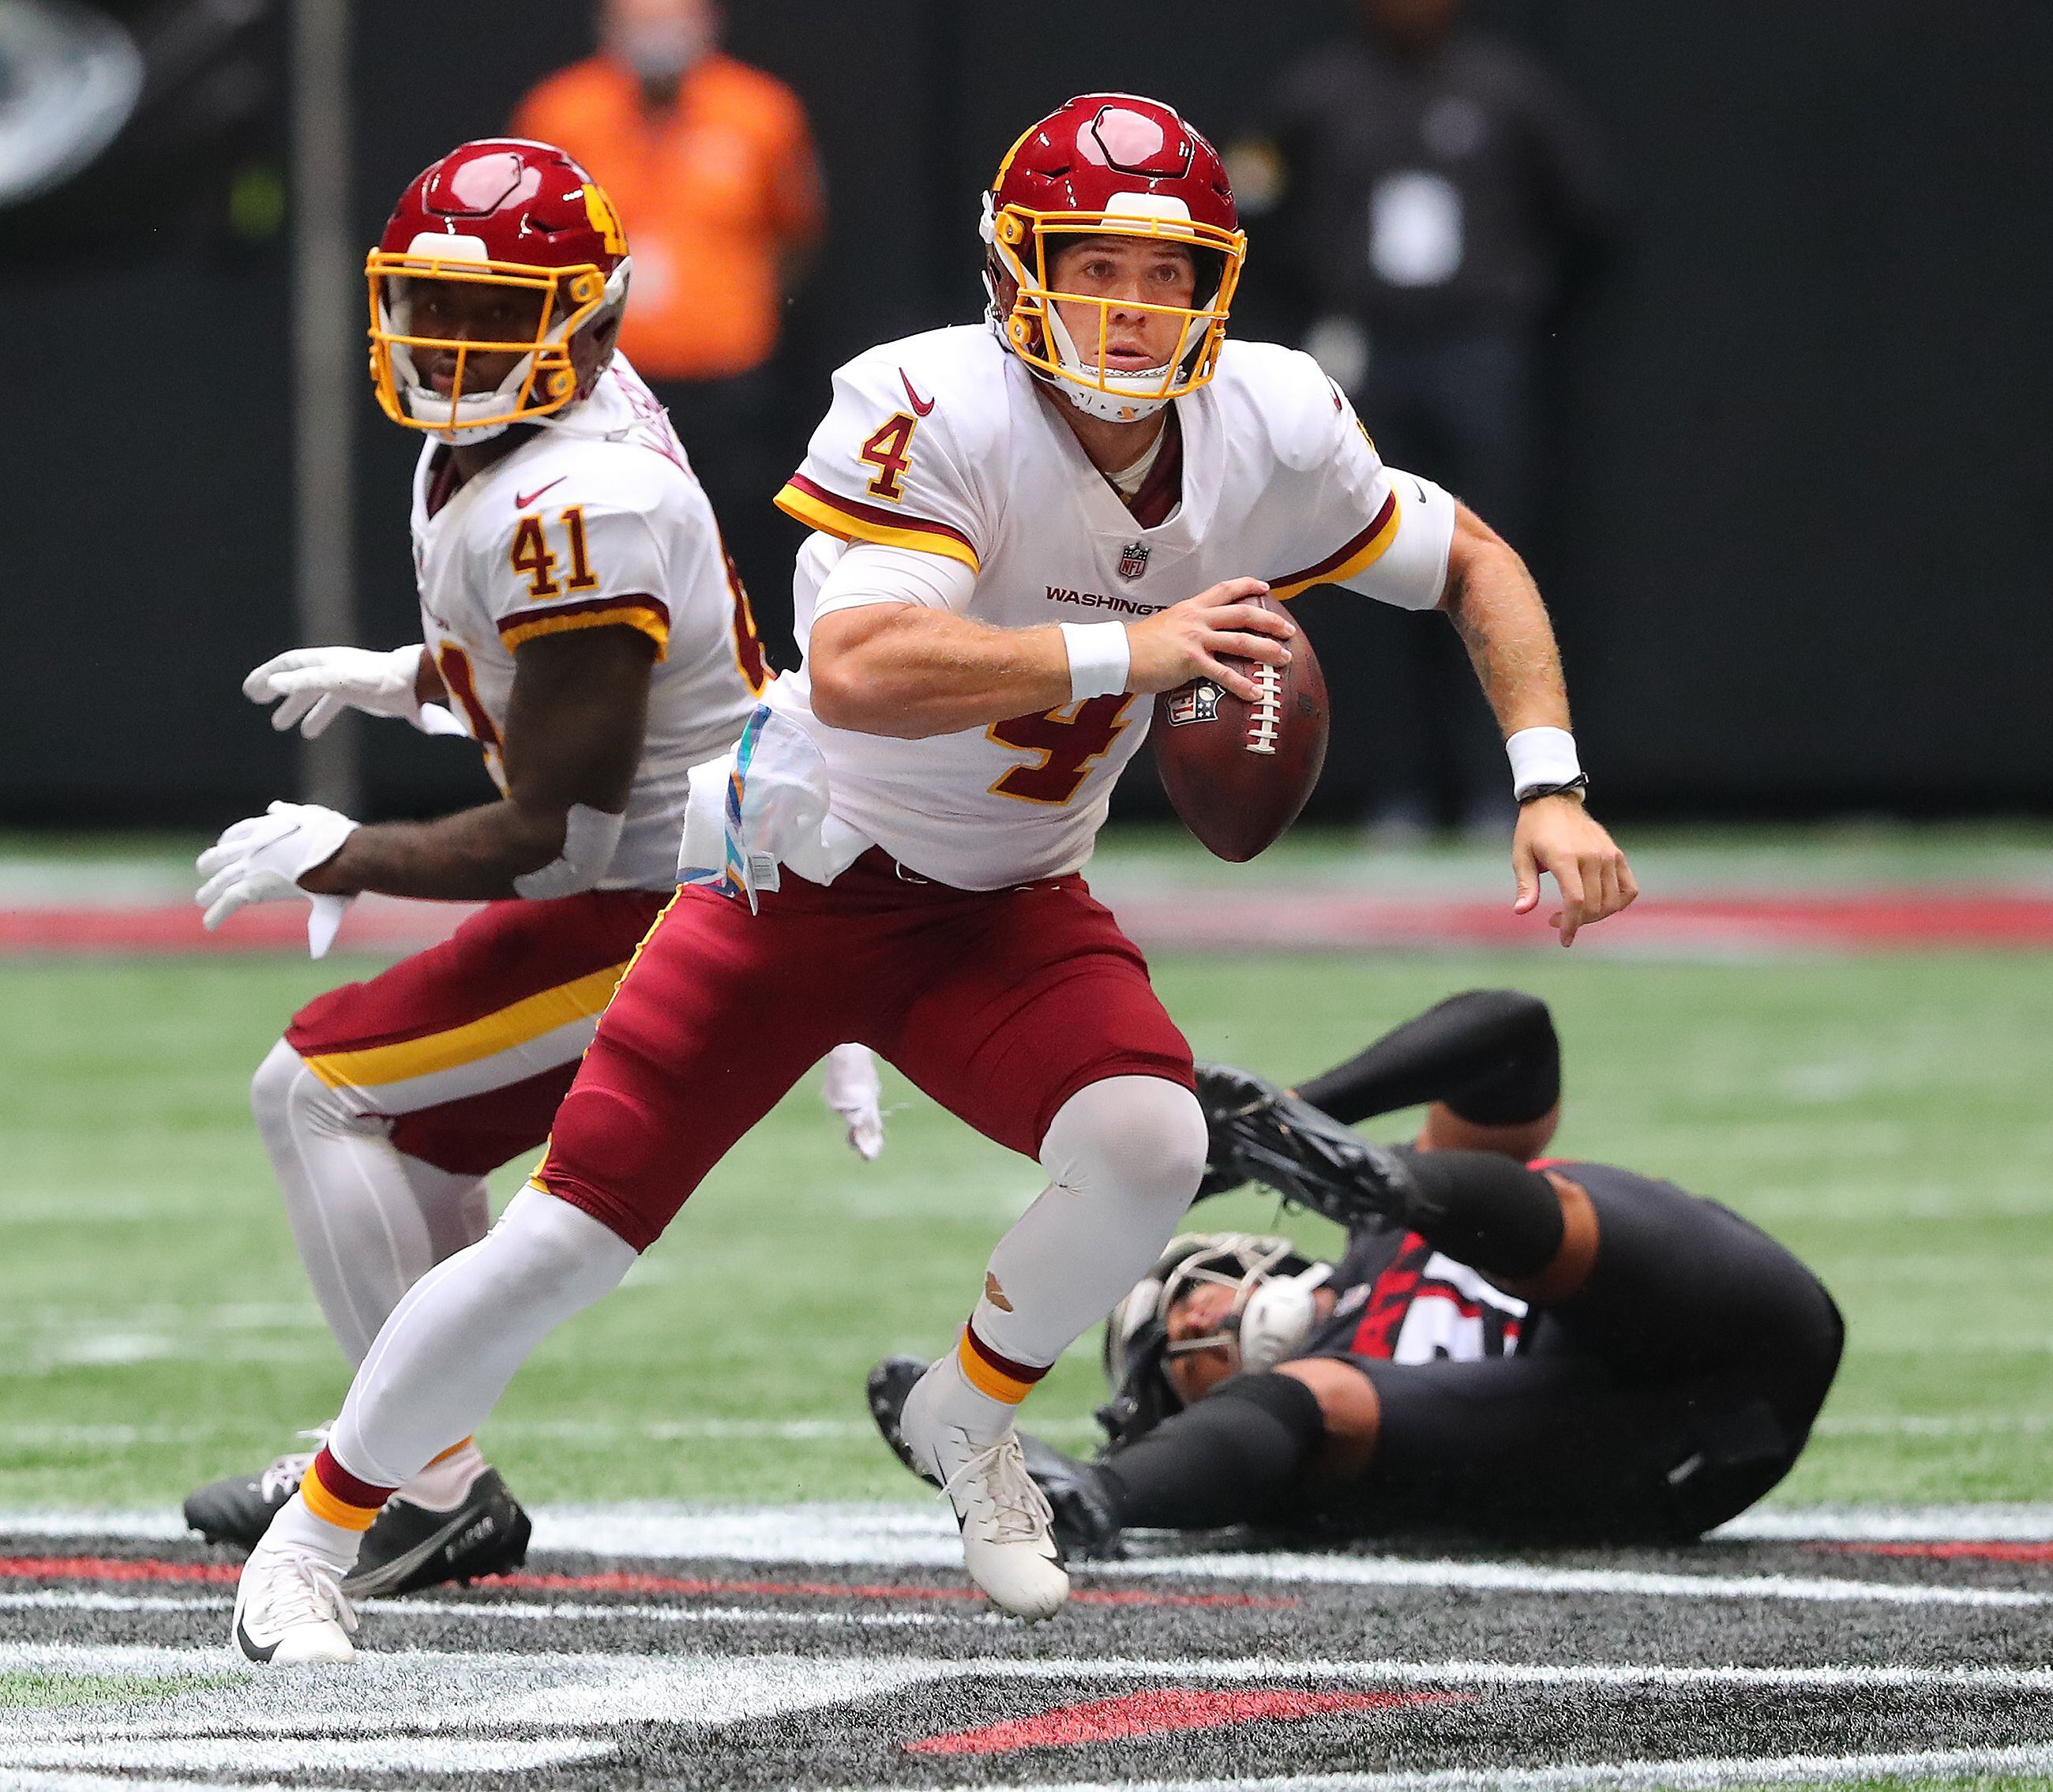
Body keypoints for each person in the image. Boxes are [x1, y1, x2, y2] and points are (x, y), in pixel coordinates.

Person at [225, 92, 1636, 1665]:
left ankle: (974, 1417)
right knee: (565, 1241)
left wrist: (1548, 780)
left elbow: (1471, 562)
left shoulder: (1272, 418)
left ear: (1215, 288)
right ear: (1013, 270)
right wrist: (1133, 646)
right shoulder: (922, 402)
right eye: (1090, 263)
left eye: (1163, 276)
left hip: (1008, 898)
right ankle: (316, 1541)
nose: (1128, 304)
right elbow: (857, 668)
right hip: (798, 883)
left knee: (1150, 1138)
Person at [186, 137, 878, 1607]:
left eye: (500, 313)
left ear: (594, 317)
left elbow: (553, 821)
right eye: (435, 304)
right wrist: (418, 674)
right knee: (418, 1137)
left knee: (311, 1086)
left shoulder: (580, 496)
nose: (456, 344)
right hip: (669, 853)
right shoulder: (544, 434)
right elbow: (593, 673)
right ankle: (401, 1460)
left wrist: (347, 846)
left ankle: (416, 1484)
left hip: (681, 889)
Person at [870, 990, 1845, 1553]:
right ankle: (1081, 1500)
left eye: (1189, 1285)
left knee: (1518, 1202)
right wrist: (1141, 1480)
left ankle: (1328, 1153)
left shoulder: (1378, 1245)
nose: (1205, 1305)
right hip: (1635, 1441)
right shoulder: (1298, 1421)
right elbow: (1296, 1421)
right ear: (1185, 1414)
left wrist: (1291, 1117)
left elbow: (1513, 1035)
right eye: (1174, 1341)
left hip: (1724, 1306)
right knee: (1323, 1393)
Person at [1230, 0, 1620, 840]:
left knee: (1487, 561)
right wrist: (1320, 292)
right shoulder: (1317, 94)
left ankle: (1497, 787)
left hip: (1477, 350)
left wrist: (1512, 298)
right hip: (1362, 351)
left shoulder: (1506, 90)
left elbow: (1586, 207)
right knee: (1372, 568)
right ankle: (1395, 789)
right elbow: (1249, 198)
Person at [512, 0, 825, 622]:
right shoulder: (561, 113)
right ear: (608, 27)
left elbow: (796, 231)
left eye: (672, 18)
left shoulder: (761, 112)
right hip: (602, 382)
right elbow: (526, 241)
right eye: (640, 20)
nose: (657, 35)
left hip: (731, 388)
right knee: (603, 551)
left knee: (733, 550)